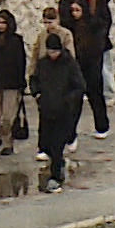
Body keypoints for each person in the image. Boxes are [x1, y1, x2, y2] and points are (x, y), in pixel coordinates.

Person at [60, 0, 115, 138]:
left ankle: (102, 126)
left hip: (96, 49)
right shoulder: (75, 1)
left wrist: (98, 41)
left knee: (95, 89)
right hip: (78, 51)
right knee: (75, 93)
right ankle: (71, 133)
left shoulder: (100, 0)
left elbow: (105, 23)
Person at [30, 34, 85, 193]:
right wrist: (37, 94)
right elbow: (34, 80)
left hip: (64, 112)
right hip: (46, 110)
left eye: (55, 51)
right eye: (50, 51)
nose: (52, 54)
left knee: (57, 146)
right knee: (46, 143)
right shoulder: (43, 64)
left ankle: (56, 176)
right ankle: (54, 171)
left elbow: (79, 85)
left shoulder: (69, 64)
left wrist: (68, 100)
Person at [0, 9, 27, 156]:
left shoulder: (16, 41)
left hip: (11, 83)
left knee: (8, 116)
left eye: (3, 23)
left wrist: (22, 84)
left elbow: (20, 62)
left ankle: (8, 142)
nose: (0, 26)